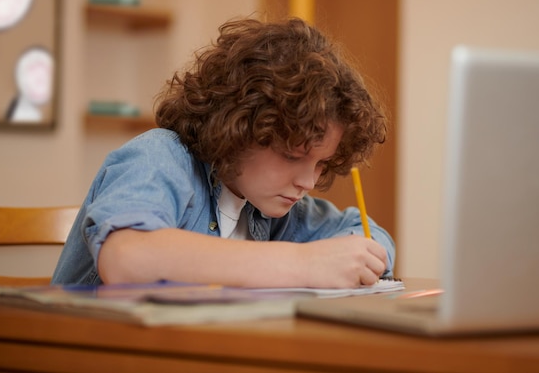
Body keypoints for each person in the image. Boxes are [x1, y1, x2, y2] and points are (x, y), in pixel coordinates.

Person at [52, 17, 395, 288]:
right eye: (292, 156)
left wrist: (355, 257)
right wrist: (303, 264)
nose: (308, 181)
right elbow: (126, 258)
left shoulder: (269, 207)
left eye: (320, 163)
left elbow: (369, 235)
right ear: (240, 127)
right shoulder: (158, 158)